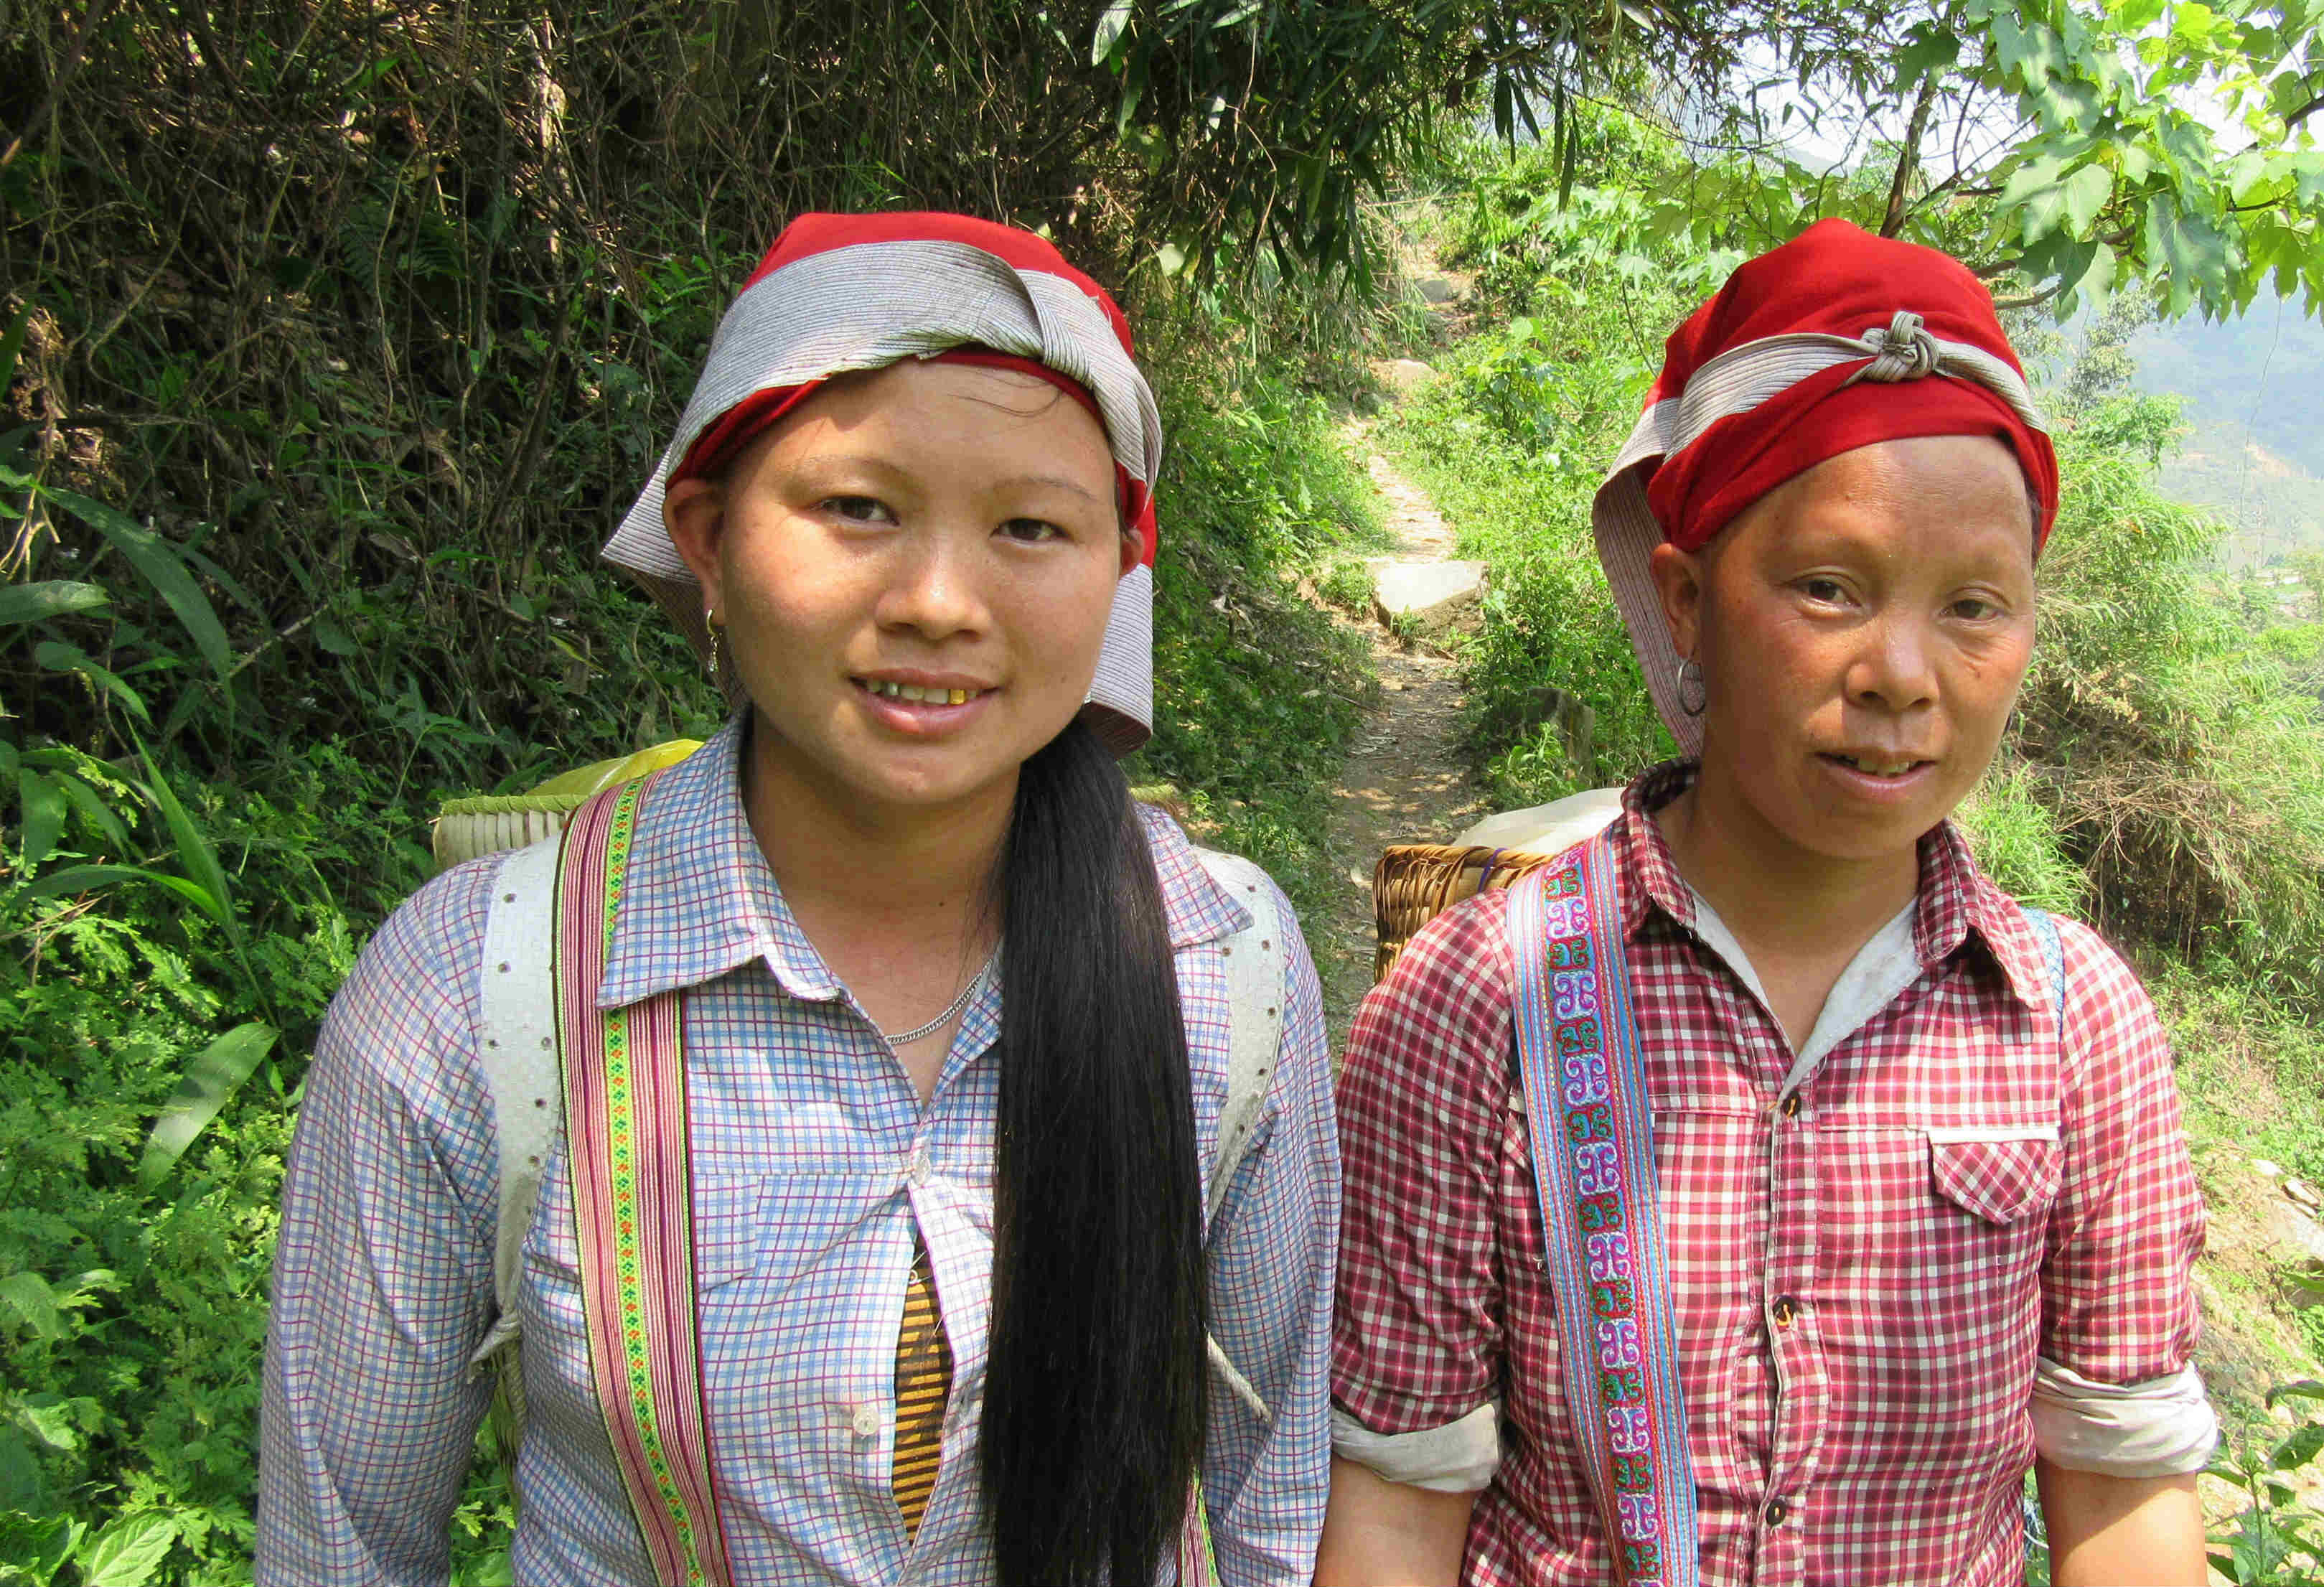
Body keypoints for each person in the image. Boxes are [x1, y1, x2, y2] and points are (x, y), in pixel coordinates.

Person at [259, 212, 1339, 1586]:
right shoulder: (481, 985)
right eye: (859, 509)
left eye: (1029, 526)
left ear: (1114, 569)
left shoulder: (1220, 964)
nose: (940, 602)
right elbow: (340, 1549)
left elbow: (1273, 1502)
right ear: (705, 536)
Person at [1318, 220, 2216, 1586]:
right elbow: (1398, 1498)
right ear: (1686, 601)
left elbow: (2119, 1485)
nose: (1901, 675)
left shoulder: (2074, 1022)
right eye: (1825, 588)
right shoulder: (1472, 999)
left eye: (1974, 607)